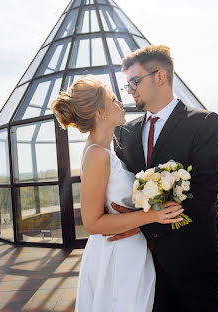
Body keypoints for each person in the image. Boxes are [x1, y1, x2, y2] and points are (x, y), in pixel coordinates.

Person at [51, 75, 183, 312]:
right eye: (113, 99)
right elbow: (92, 223)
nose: (121, 103)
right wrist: (152, 215)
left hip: (128, 250)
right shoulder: (96, 155)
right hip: (115, 256)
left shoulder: (106, 149)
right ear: (100, 113)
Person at [111, 45, 218, 311]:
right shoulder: (124, 133)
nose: (130, 90)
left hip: (193, 263)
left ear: (160, 76)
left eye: (134, 81)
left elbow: (204, 193)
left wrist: (141, 224)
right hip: (140, 264)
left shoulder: (204, 123)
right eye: (127, 84)